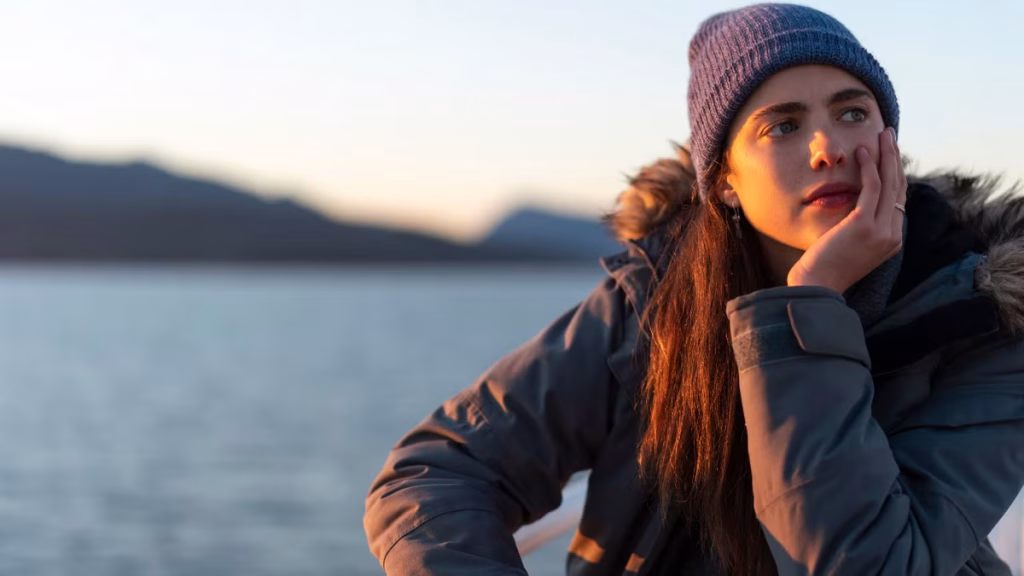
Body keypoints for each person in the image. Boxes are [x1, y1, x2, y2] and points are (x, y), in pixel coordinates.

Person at [364, 3, 1024, 574]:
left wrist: (810, 306)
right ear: (726, 182)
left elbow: (861, 563)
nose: (829, 147)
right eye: (784, 126)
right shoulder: (654, 301)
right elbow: (437, 473)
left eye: (853, 112)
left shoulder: (988, 320)